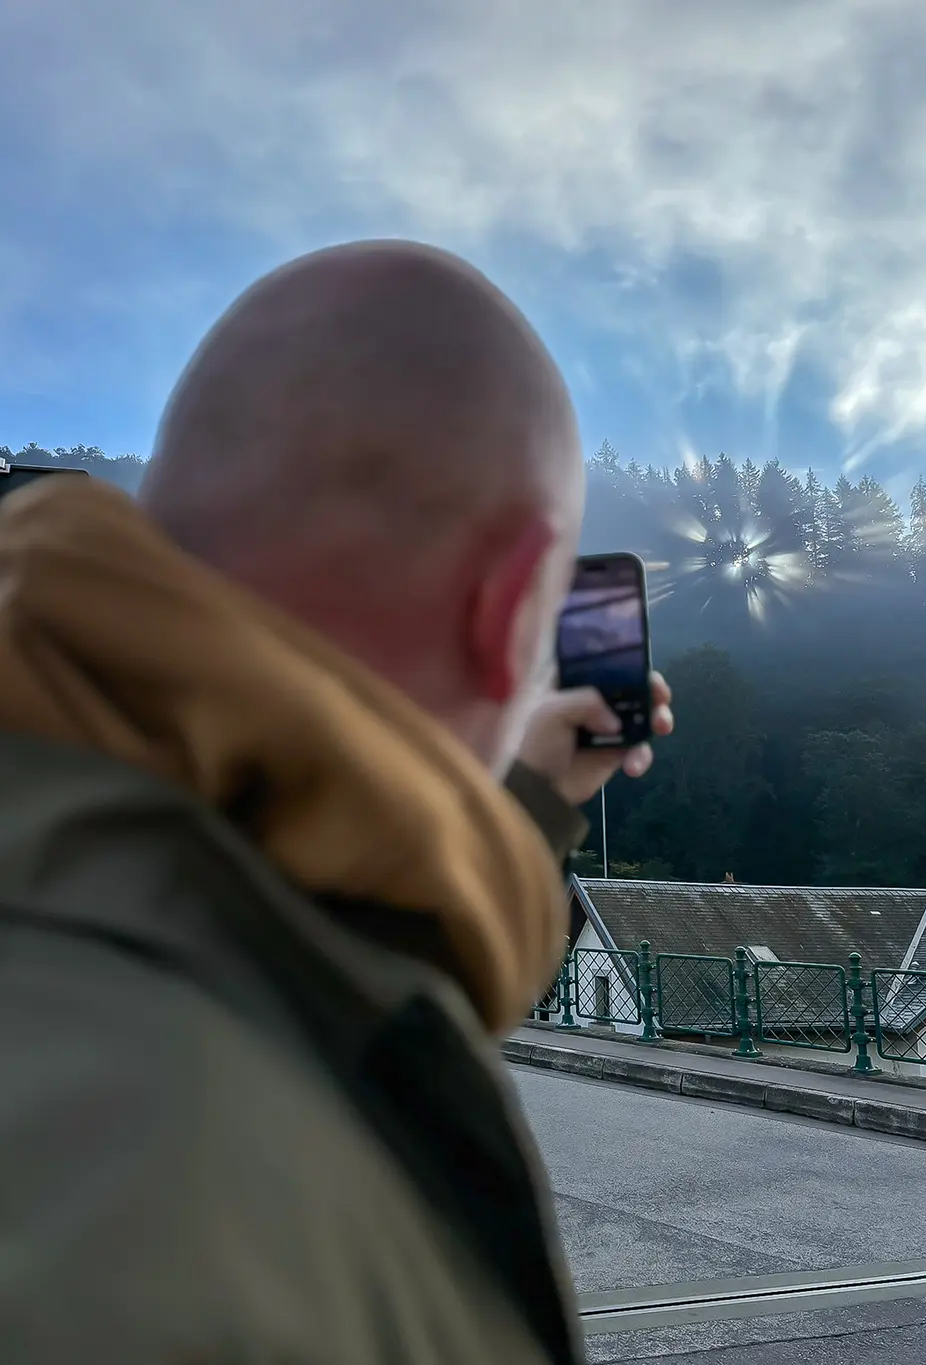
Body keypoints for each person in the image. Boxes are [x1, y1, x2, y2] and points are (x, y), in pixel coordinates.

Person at [0, 240, 671, 1364]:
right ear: (515, 612)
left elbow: (287, 931)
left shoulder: (80, 886)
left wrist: (530, 804)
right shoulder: (193, 1220)